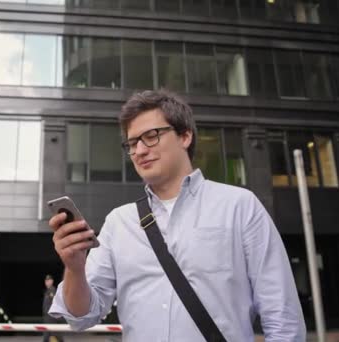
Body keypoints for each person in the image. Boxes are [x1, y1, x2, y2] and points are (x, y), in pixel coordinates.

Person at [48, 90, 306, 341]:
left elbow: (283, 319)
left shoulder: (239, 206)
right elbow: (81, 317)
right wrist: (74, 268)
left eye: (150, 136)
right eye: (132, 143)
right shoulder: (119, 222)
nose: (139, 150)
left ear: (185, 136)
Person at [42, 274, 64, 342]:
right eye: (46, 281)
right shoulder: (47, 291)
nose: (47, 282)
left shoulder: (52, 291)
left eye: (49, 280)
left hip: (51, 318)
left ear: (52, 281)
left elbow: (55, 304)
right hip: (47, 317)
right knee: (48, 336)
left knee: (55, 335)